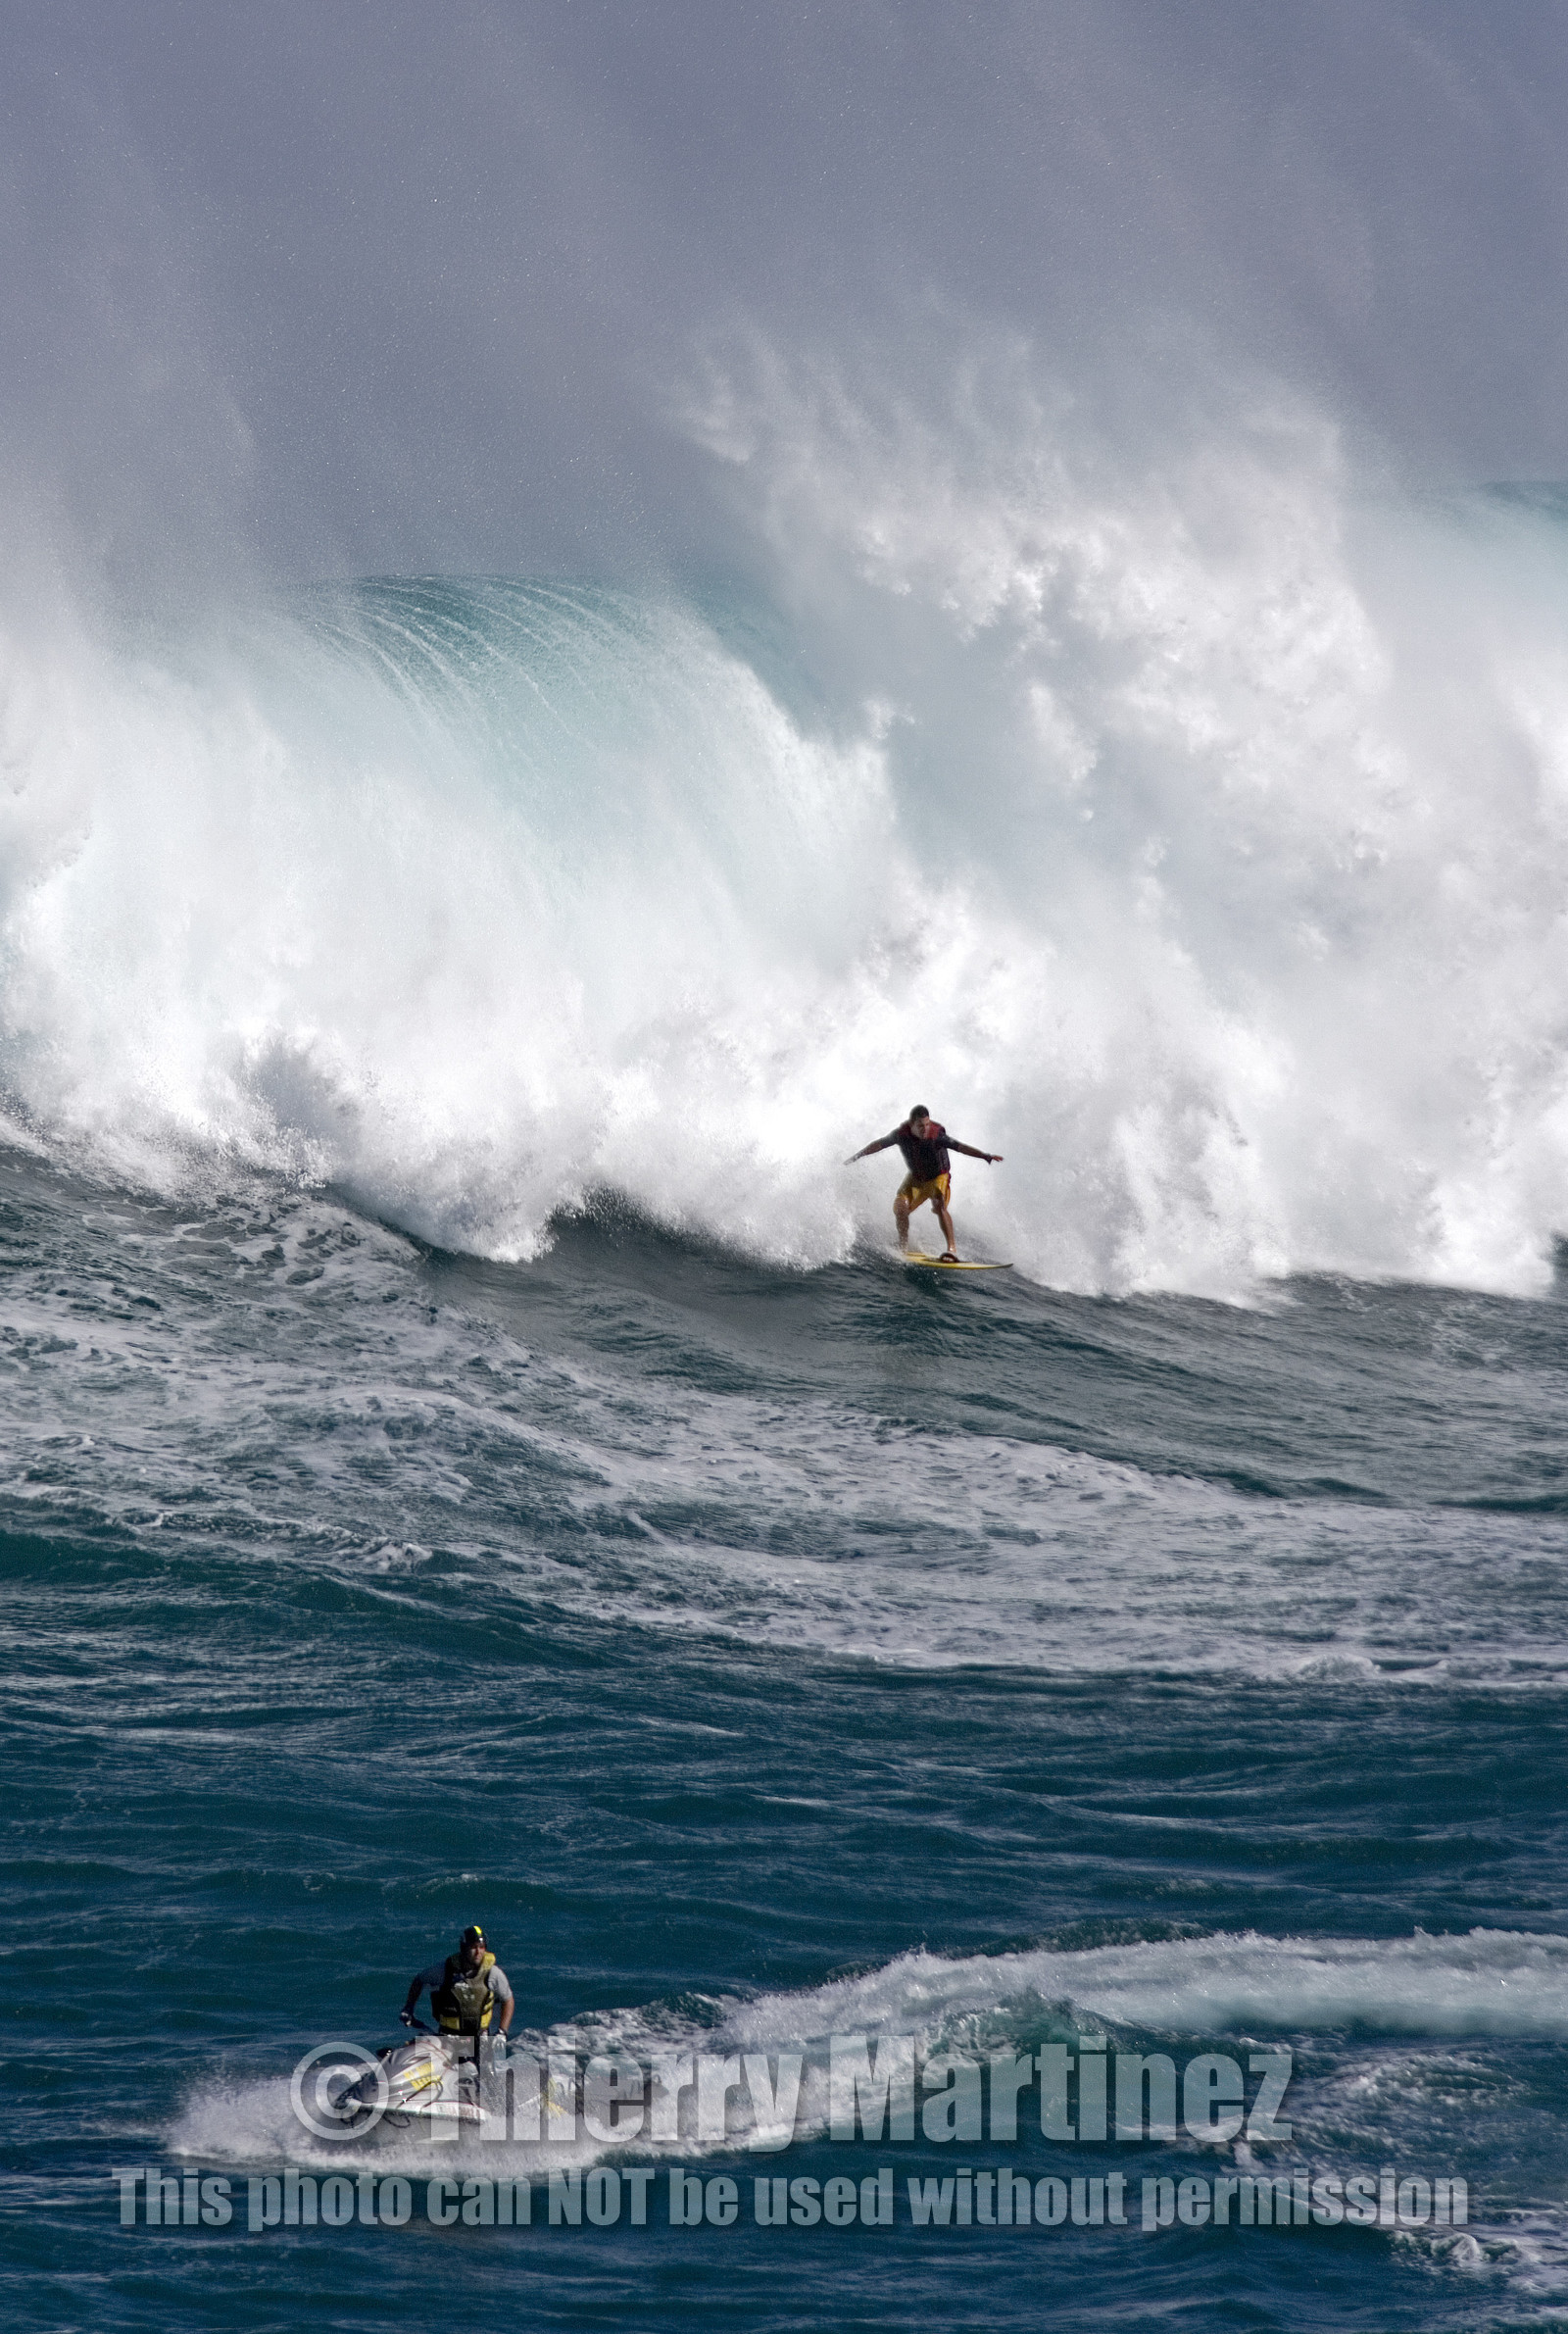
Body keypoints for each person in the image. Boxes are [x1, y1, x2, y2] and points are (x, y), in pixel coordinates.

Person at [846, 1104, 1003, 1261]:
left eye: (927, 1124)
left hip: (938, 1177)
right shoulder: (900, 1135)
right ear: (912, 1124)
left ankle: (952, 1249)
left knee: (938, 1204)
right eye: (921, 1126)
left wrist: (985, 1156)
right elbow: (879, 1144)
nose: (925, 1129)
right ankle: (903, 1245)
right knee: (900, 1207)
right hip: (916, 1177)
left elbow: (960, 1147)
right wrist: (858, 1155)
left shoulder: (937, 1136)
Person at [403, 1923, 515, 2038]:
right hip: (448, 2036)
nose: (478, 1952)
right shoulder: (446, 1970)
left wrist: (502, 2031)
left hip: (481, 2036)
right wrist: (409, 2008)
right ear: (464, 1948)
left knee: (491, 2048)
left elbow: (508, 1999)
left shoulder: (493, 1973)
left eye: (481, 1947)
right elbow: (420, 1979)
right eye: (473, 1947)